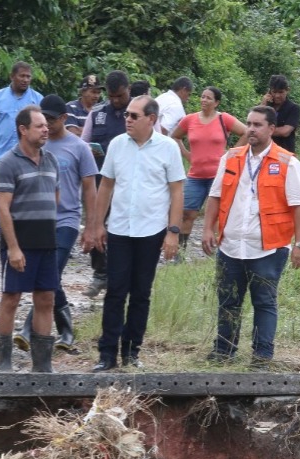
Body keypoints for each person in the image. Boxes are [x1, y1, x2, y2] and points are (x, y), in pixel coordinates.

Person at [82, 96, 185, 372]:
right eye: (127, 114)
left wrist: (173, 232)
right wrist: (96, 225)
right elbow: (106, 187)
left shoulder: (167, 148)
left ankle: (131, 352)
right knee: (115, 291)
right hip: (119, 229)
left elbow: (177, 191)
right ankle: (107, 354)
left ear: (151, 119)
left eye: (134, 115)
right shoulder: (117, 145)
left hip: (151, 230)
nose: (127, 119)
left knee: (141, 293)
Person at [201, 105, 300, 368]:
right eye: (248, 123)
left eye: (257, 124)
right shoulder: (231, 157)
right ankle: (223, 351)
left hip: (268, 248)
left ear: (271, 129)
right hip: (231, 245)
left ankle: (261, 355)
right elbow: (215, 196)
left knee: (264, 302)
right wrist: (207, 229)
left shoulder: (287, 163)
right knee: (228, 299)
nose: (250, 128)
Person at [13, 95, 97, 354]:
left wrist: (92, 227)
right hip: (38, 222)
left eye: (51, 119)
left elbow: (89, 187)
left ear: (63, 119)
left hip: (67, 220)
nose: (46, 125)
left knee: (52, 273)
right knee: (47, 276)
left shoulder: (78, 148)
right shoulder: (38, 147)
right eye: (43, 119)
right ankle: (67, 329)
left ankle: (28, 330)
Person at [0, 105, 60, 373]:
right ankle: (5, 363)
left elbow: (55, 197)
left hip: (47, 241)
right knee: (11, 297)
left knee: (46, 299)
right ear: (23, 130)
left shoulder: (51, 160)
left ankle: (42, 365)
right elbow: (2, 208)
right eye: (39, 126)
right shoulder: (7, 163)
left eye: (46, 125)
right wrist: (13, 248)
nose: (46, 129)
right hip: (20, 242)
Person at [171, 86, 247, 254]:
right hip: (195, 175)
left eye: (209, 98)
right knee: (187, 213)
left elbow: (246, 132)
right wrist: (186, 154)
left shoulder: (224, 119)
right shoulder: (190, 120)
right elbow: (175, 136)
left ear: (216, 102)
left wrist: (232, 153)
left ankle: (219, 251)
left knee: (219, 214)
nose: (204, 100)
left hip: (218, 176)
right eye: (202, 97)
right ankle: (180, 251)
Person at [0, 62, 43, 249]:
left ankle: (25, 230)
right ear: (12, 76)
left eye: (28, 76)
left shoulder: (37, 99)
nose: (25, 80)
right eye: (22, 76)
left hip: (28, 155)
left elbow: (45, 128)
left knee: (27, 193)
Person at [80, 70, 132, 298]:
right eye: (111, 97)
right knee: (95, 223)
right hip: (102, 181)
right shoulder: (98, 114)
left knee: (126, 228)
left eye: (119, 96)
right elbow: (83, 144)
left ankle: (123, 275)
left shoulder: (138, 114)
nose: (115, 101)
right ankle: (100, 274)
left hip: (131, 182)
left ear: (128, 90)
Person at [261, 75, 300, 153]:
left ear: (287, 90)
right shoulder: (266, 106)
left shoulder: (294, 108)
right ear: (269, 91)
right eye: (274, 92)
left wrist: (263, 131)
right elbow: (256, 120)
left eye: (281, 92)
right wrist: (263, 104)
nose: (277, 96)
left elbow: (285, 132)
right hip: (264, 151)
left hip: (284, 152)